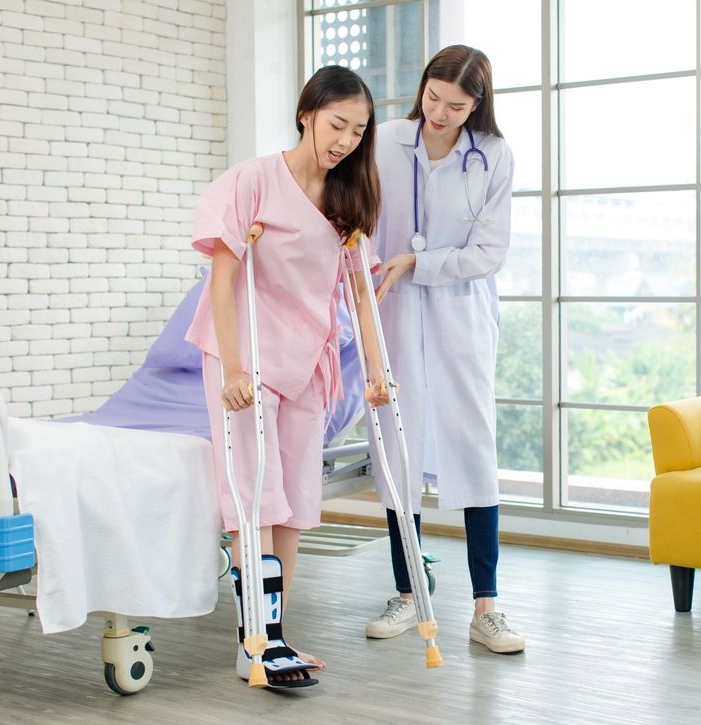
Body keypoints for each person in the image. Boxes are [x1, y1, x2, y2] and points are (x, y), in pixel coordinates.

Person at [185, 65, 388, 687]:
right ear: (307, 114)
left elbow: (361, 295)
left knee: (295, 505)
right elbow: (222, 277)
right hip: (244, 355)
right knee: (257, 498)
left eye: (358, 131)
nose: (346, 140)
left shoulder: (349, 198)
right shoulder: (253, 181)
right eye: (336, 124)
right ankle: (255, 641)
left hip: (308, 363)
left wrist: (379, 372)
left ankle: (274, 636)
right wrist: (234, 367)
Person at [365, 45, 525, 654]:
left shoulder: (494, 156)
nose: (439, 112)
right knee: (396, 446)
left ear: (477, 105)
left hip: (462, 316)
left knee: (472, 447)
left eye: (455, 105)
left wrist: (421, 263)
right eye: (433, 96)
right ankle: (409, 592)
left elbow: (489, 253)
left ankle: (487, 607)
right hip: (396, 312)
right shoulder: (385, 141)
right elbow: (359, 212)